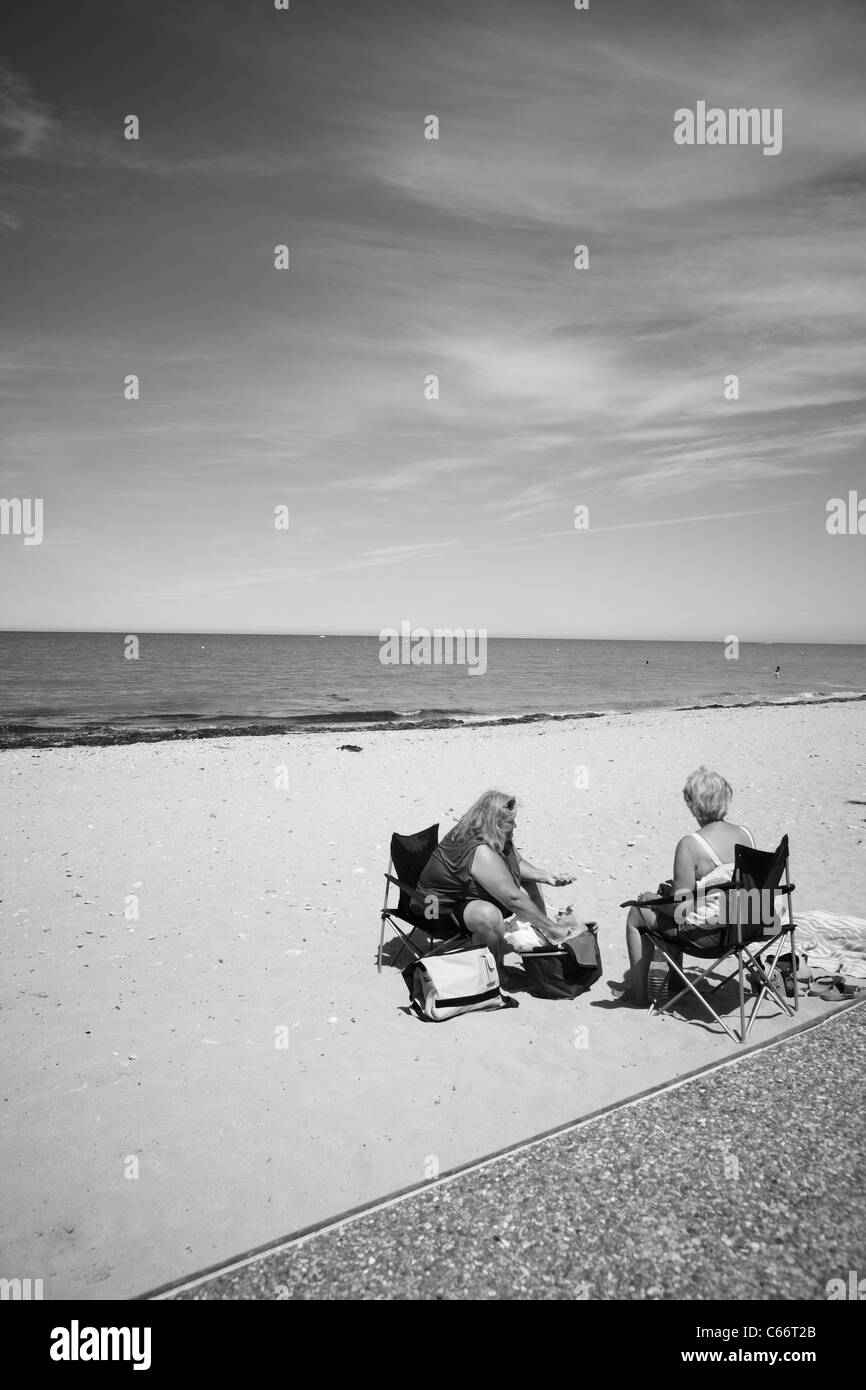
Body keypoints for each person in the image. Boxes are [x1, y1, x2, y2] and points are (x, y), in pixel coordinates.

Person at [621, 767, 757, 1006]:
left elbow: (679, 911)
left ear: (694, 805)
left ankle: (639, 995)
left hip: (712, 936)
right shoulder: (745, 834)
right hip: (748, 925)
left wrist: (650, 899)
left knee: (638, 913)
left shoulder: (691, 845)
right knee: (678, 897)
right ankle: (676, 982)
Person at [412, 789, 578, 959]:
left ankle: (542, 936)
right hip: (435, 911)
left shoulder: (488, 832)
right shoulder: (479, 850)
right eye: (510, 821)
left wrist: (545, 876)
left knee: (529, 882)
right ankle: (496, 970)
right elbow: (512, 899)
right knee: (490, 915)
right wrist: (554, 926)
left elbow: (516, 863)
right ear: (495, 822)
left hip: (463, 897)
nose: (515, 826)